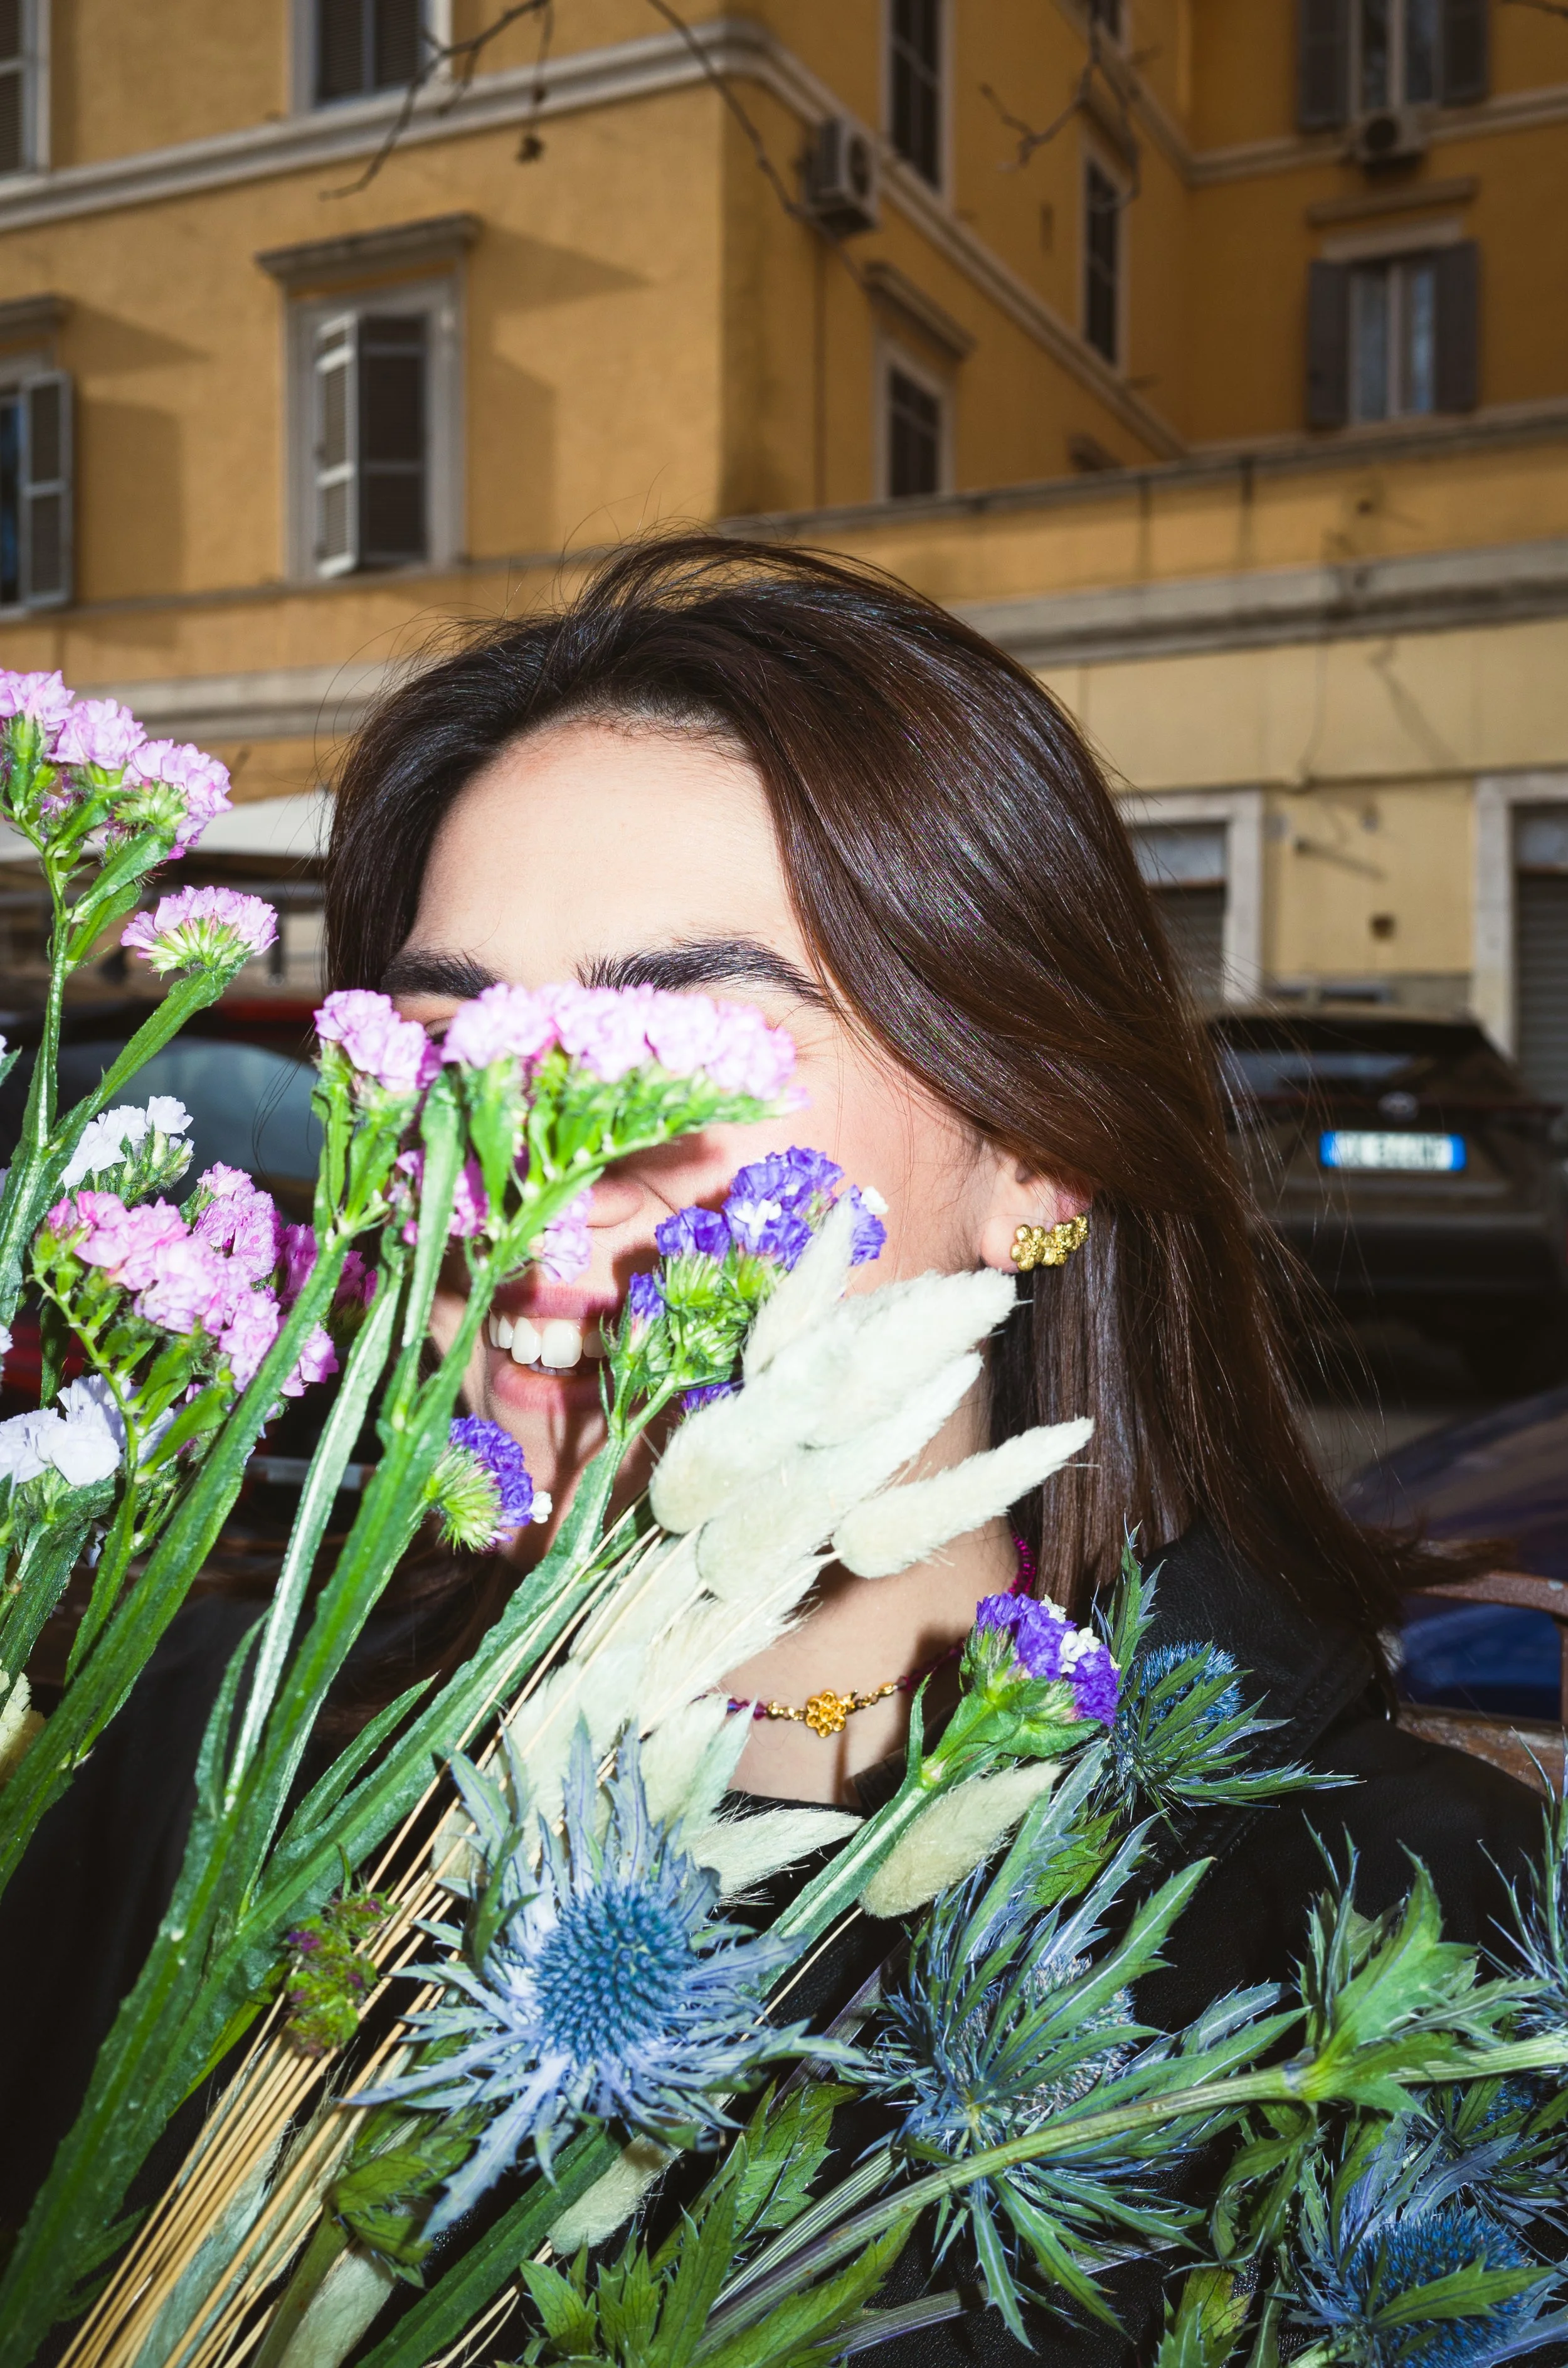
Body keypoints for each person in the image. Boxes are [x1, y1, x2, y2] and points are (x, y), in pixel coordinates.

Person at [0, 538, 1542, 2359]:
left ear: (1036, 1144)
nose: (536, 1159)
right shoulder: (170, 1752)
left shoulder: (1400, 1961)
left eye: (691, 1050)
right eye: (442, 1042)